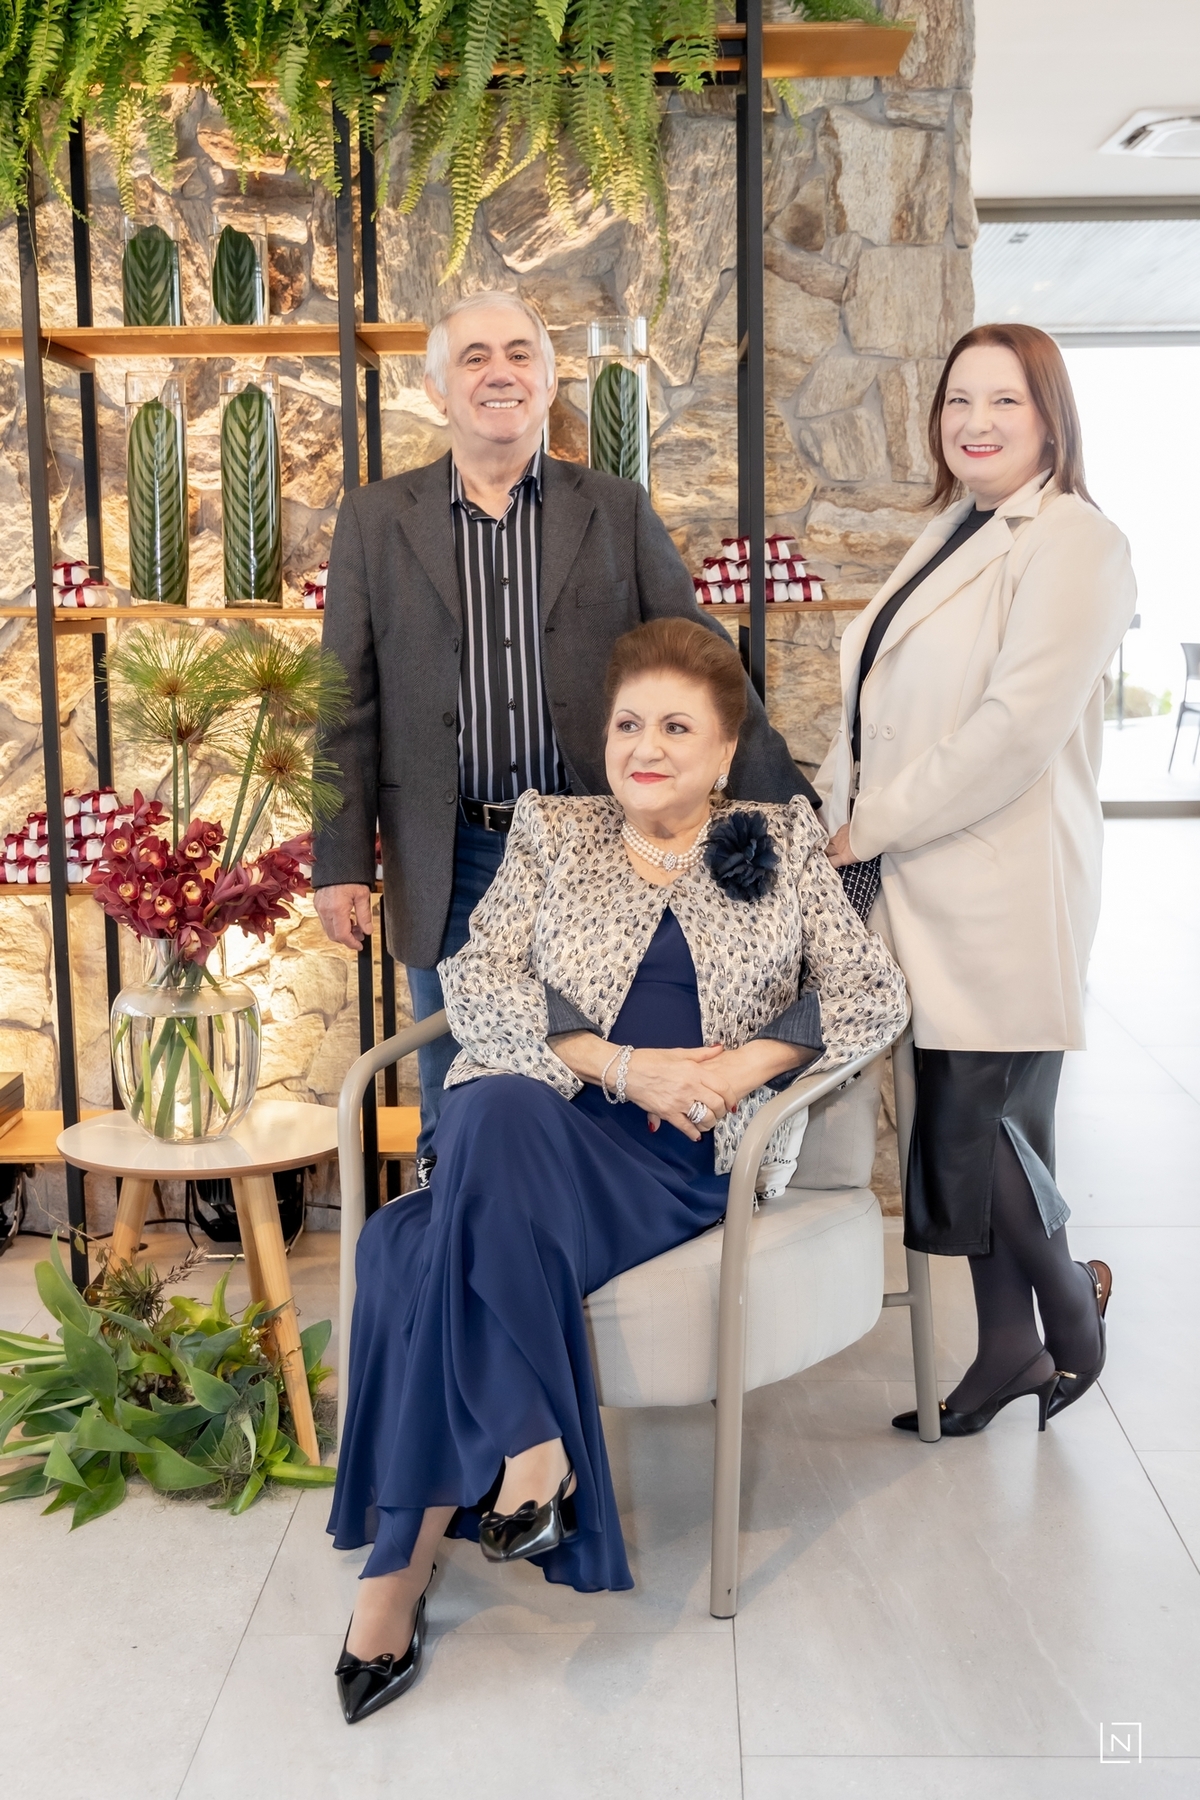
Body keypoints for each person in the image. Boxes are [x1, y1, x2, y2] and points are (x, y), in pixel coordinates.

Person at [328, 617, 906, 1723]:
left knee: (406, 1244)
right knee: (499, 1104)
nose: (647, 746)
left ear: (725, 750)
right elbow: (477, 978)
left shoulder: (778, 839)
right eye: (629, 724)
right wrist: (620, 1064)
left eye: (677, 728)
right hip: (549, 1114)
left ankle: (394, 1577)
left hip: (679, 1155)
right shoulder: (554, 830)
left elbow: (870, 995)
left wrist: (733, 1070)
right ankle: (533, 1456)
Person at [311, 290, 811, 1180]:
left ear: (548, 382)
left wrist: (792, 819)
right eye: (474, 357)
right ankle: (453, 1218)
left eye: (519, 354)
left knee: (593, 1063)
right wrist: (340, 859)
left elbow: (705, 665)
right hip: (451, 851)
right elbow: (344, 701)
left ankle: (571, 1222)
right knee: (459, 1076)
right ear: (437, 389)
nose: (498, 372)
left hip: (596, 851)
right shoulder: (375, 520)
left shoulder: (614, 509)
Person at [819, 322, 1136, 1437]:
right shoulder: (954, 528)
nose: (976, 422)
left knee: (984, 1125)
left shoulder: (1078, 542)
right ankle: (1008, 1347)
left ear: (1051, 417)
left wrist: (870, 825)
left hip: (1001, 880)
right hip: (919, 870)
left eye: (1005, 401)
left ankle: (1073, 1311)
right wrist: (838, 814)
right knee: (964, 1121)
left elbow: (1013, 730)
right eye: (959, 401)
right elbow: (876, 707)